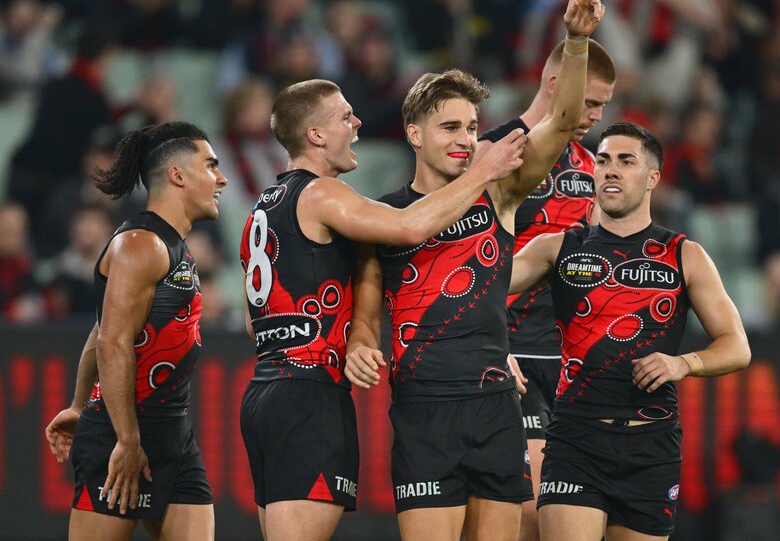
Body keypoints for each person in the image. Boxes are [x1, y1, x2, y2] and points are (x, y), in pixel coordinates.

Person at [346, 0, 605, 541]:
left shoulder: (502, 193)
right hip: (423, 412)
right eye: (450, 127)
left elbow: (562, 122)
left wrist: (577, 42)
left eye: (471, 126)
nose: (466, 139)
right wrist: (361, 349)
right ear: (415, 133)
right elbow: (364, 324)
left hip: (494, 407)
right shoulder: (381, 219)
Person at [238, 79, 528, 541]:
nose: (357, 124)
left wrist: (355, 339)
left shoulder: (265, 205)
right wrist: (480, 174)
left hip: (267, 392)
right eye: (345, 117)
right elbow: (408, 226)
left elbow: (262, 320)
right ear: (315, 135)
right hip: (309, 397)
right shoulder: (322, 195)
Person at [509, 121, 751, 541]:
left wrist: (684, 363)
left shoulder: (685, 255)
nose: (611, 170)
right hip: (574, 440)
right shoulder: (557, 246)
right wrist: (496, 349)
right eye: (602, 161)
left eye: (626, 161)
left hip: (651, 445)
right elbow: (484, 285)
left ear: (653, 177)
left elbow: (737, 347)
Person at [44, 122, 228, 540]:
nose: (222, 178)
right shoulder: (140, 245)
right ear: (178, 175)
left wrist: (75, 403)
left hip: (174, 436)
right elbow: (112, 342)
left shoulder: (174, 244)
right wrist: (126, 440)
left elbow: (101, 330)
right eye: (211, 166)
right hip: (119, 435)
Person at [478, 37, 616, 541]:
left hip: (566, 358)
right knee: (532, 513)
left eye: (604, 104)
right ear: (560, 86)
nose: (598, 115)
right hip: (508, 351)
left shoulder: (588, 166)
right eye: (591, 101)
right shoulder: (493, 152)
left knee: (570, 517)